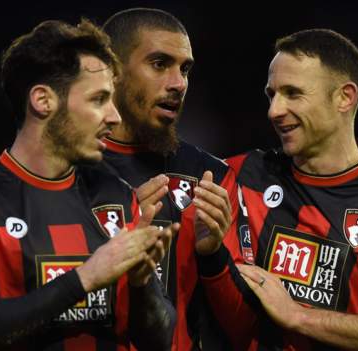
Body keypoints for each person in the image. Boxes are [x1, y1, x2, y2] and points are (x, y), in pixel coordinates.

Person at [0, 19, 178, 351]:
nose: (115, 116)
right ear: (43, 101)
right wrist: (85, 278)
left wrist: (141, 282)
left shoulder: (115, 195)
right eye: (99, 99)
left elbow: (159, 339)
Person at [207, 29, 358, 350]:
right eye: (271, 94)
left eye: (293, 93)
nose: (274, 110)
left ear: (344, 97)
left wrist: (298, 316)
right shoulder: (240, 175)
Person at [100, 8, 252, 350]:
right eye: (159, 64)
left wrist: (213, 255)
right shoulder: (68, 170)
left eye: (185, 69)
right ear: (113, 70)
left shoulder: (209, 178)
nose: (178, 83)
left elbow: (243, 325)